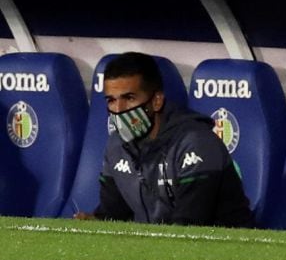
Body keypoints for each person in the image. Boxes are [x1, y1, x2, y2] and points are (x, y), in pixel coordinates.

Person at [74, 52, 254, 227]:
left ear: (156, 101)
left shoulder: (196, 142)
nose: (119, 109)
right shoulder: (116, 144)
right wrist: (93, 223)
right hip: (162, 246)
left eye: (129, 98)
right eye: (111, 100)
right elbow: (113, 215)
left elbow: (189, 226)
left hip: (224, 251)